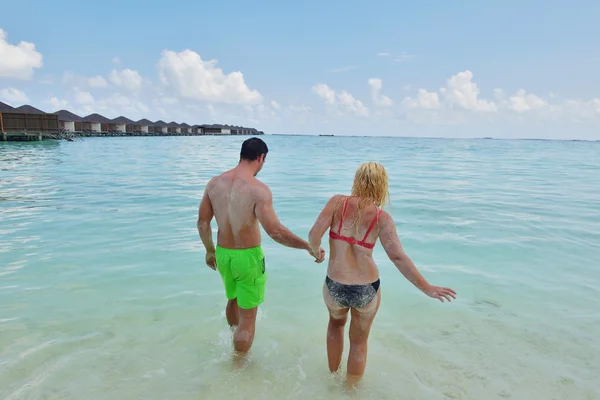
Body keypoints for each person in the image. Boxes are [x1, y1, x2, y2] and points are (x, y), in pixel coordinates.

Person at [308, 162, 456, 388]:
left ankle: (332, 380)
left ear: (357, 180)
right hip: (366, 289)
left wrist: (316, 251)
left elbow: (313, 235)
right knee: (359, 342)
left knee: (335, 326)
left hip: (335, 285)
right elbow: (398, 257)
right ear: (381, 185)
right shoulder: (381, 218)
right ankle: (351, 391)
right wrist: (427, 288)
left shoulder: (336, 203)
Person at [197, 137, 325, 361]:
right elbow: (275, 231)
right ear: (260, 157)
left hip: (223, 254)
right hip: (248, 258)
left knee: (233, 298)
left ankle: (233, 337)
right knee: (248, 318)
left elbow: (202, 223)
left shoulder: (214, 183)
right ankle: (238, 366)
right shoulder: (259, 190)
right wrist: (307, 246)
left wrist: (209, 251)